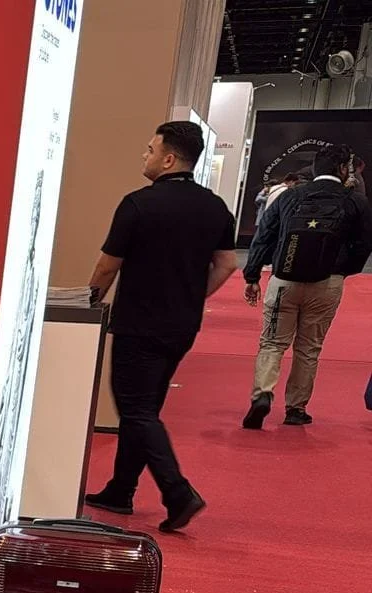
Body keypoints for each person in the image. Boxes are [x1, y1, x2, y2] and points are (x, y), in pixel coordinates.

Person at [83, 121, 237, 533]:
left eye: (150, 150)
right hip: (182, 326)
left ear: (168, 158)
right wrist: (192, 296)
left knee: (135, 409)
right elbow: (227, 264)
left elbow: (107, 265)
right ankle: (121, 489)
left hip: (139, 323)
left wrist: (89, 302)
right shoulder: (216, 207)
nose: (145, 156)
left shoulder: (137, 204)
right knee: (146, 409)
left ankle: (178, 493)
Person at [240, 143, 372, 428]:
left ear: (314, 169)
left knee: (272, 342)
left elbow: (264, 236)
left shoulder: (290, 196)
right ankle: (295, 409)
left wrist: (252, 275)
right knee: (309, 347)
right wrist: (344, 271)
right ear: (342, 169)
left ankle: (262, 393)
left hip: (284, 280)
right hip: (327, 283)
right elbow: (363, 244)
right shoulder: (355, 201)